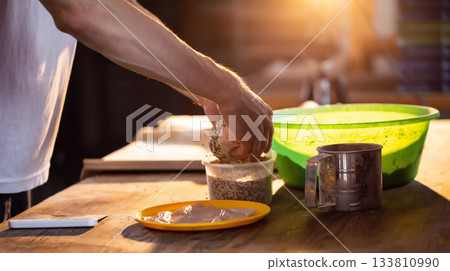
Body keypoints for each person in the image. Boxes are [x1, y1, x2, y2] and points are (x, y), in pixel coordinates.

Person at [0, 0, 273, 222]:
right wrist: (224, 87)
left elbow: (115, 7)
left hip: (17, 165)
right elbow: (81, 9)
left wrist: (203, 89)